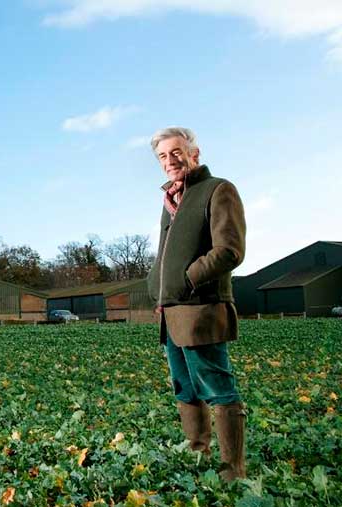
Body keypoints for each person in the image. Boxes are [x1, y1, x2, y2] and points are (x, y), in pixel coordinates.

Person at [145, 127, 247, 481]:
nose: (170, 160)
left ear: (194, 153)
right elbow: (166, 255)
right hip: (171, 312)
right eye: (162, 155)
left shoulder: (218, 190)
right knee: (184, 387)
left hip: (201, 308)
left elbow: (230, 251)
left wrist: (187, 278)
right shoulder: (172, 199)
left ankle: (232, 471)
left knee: (217, 388)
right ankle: (197, 456)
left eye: (176, 152)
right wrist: (157, 286)